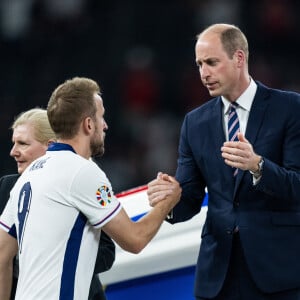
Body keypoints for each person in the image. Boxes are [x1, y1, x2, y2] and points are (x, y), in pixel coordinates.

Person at [147, 23, 300, 299]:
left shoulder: (289, 108)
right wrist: (169, 199)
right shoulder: (194, 123)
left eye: (212, 63)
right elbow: (190, 200)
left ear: (239, 58)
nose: (204, 74)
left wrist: (258, 166)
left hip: (278, 274)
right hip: (218, 275)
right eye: (199, 65)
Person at [0, 77, 181, 300]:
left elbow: (2, 253)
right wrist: (167, 202)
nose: (104, 125)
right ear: (88, 124)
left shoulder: (30, 174)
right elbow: (135, 239)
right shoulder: (82, 171)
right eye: (101, 117)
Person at [0, 108, 116, 300]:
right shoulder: (7, 188)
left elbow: (106, 251)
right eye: (14, 143)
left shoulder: (79, 182)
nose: (13, 152)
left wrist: (57, 266)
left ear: (50, 146)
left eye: (23, 144)